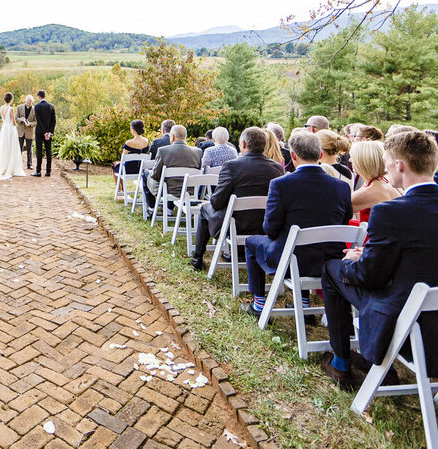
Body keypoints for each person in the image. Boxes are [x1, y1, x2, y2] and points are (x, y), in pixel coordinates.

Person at [319, 131, 438, 391]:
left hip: (410, 327)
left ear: (399, 166)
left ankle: (342, 363)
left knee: (332, 269)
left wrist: (354, 261)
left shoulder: (391, 213)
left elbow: (369, 277)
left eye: (387, 162)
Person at [243, 131, 351, 318]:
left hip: (292, 260)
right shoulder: (341, 186)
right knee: (294, 244)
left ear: (293, 156)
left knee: (252, 242)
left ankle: (260, 303)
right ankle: (302, 301)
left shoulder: (281, 184)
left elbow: (271, 229)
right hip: (329, 260)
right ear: (319, 155)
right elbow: (345, 221)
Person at [191, 127, 284, 272]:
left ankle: (197, 257)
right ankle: (240, 253)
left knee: (205, 209)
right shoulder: (277, 168)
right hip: (264, 224)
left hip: (235, 225)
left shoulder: (232, 166)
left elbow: (217, 202)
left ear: (244, 145)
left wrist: (211, 201)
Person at [146, 123, 201, 208]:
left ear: (172, 136)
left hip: (168, 190)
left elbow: (155, 174)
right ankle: (169, 209)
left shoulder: (163, 151)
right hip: (190, 190)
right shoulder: (197, 152)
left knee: (146, 174)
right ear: (185, 136)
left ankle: (151, 208)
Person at [348, 140, 399, 226]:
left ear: (363, 162)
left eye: (353, 158)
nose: (350, 160)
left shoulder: (373, 189)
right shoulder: (385, 180)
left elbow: (338, 208)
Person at [33, 90, 56, 177]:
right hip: (49, 133)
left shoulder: (37, 106)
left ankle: (38, 171)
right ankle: (48, 171)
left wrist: (44, 132)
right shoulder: (51, 106)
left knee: (39, 151)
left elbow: (39, 121)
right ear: (44, 96)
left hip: (39, 132)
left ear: (39, 96)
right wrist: (49, 132)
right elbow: (54, 121)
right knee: (48, 151)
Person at [14, 95, 37, 169]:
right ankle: (18, 164)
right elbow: (15, 118)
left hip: (29, 131)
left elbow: (36, 122)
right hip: (20, 131)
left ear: (32, 102)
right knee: (19, 148)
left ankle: (29, 164)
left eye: (30, 102)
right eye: (27, 101)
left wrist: (31, 124)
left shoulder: (35, 109)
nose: (28, 103)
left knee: (29, 149)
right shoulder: (19, 107)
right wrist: (20, 119)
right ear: (25, 101)